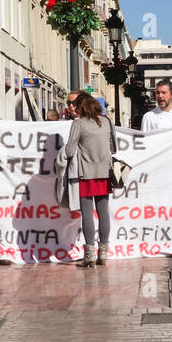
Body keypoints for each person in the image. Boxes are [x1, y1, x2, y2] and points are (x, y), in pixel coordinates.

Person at [61, 92, 115, 267]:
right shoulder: (106, 121)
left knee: (87, 213)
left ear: (80, 106)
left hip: (86, 173)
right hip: (105, 173)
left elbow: (69, 151)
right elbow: (113, 146)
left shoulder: (78, 124)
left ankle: (89, 255)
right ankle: (104, 253)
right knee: (103, 212)